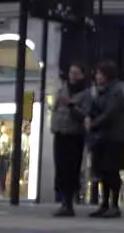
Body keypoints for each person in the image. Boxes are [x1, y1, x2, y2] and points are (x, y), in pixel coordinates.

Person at [85, 60, 124, 218]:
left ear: (107, 75)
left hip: (115, 137)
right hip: (103, 136)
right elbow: (94, 108)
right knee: (102, 171)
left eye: (99, 74)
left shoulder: (116, 91)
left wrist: (94, 124)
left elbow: (110, 113)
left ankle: (114, 205)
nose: (96, 77)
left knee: (112, 170)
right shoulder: (100, 91)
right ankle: (104, 204)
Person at [50, 62, 91, 217]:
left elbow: (85, 115)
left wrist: (71, 106)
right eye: (71, 72)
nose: (72, 76)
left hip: (74, 136)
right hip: (60, 133)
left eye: (76, 73)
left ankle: (69, 203)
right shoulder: (62, 89)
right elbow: (54, 108)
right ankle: (63, 203)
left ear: (81, 75)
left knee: (71, 169)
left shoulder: (85, 94)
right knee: (60, 168)